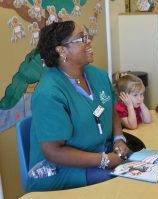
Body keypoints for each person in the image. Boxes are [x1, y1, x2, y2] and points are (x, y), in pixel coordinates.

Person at [27, 21, 131, 192]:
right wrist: (103, 160)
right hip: (62, 171)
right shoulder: (49, 93)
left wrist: (119, 138)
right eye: (81, 38)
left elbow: (110, 110)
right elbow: (53, 152)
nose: (89, 41)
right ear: (62, 50)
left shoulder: (97, 75)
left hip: (102, 152)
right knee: (126, 185)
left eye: (87, 36)